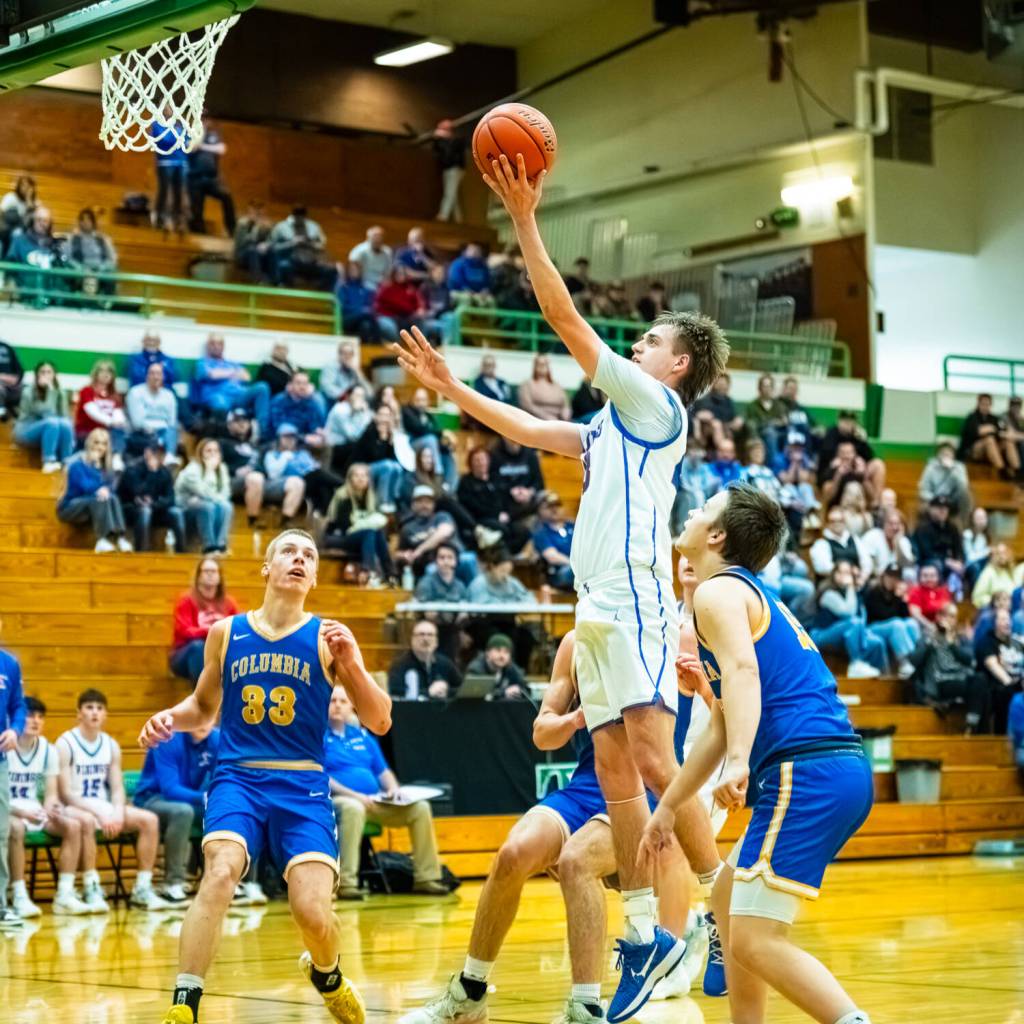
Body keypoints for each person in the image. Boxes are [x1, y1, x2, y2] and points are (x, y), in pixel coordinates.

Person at [394, 152, 729, 1021]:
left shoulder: (659, 411)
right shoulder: (611, 424)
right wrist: (450, 386)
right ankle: (648, 936)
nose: (637, 344)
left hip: (639, 596)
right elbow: (525, 425)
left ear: (677, 367)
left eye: (652, 340)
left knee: (655, 759)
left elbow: (563, 316)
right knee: (618, 768)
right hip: (597, 605)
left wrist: (526, 218)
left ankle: (723, 912)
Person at [403, 616, 712, 1024]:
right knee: (514, 852)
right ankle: (469, 992)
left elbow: (727, 711)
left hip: (647, 793)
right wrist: (572, 720)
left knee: (576, 862)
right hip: (587, 785)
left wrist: (726, 749)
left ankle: (584, 1007)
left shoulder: (673, 637)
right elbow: (542, 732)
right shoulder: (576, 641)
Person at [139, 528, 392, 1024]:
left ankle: (328, 974)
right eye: (289, 552)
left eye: (309, 555)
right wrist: (168, 718)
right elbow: (203, 708)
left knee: (313, 913)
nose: (299, 559)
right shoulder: (226, 633)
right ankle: (184, 1004)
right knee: (220, 872)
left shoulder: (328, 638)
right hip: (239, 778)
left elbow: (380, 720)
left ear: (315, 576)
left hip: (303, 784)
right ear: (267, 567)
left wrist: (353, 667)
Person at [652, 483, 875, 1024]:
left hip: (806, 768)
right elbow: (725, 720)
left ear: (718, 535)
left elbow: (744, 677)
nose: (693, 511)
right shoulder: (742, 594)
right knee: (728, 902)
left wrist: (740, 763)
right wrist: (668, 808)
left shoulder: (717, 593)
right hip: (830, 765)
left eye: (704, 508)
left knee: (754, 940)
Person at [324, 686, 447, 899]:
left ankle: (427, 878)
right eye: (333, 700)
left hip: (374, 802)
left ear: (351, 706)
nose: (337, 705)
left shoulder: (363, 736)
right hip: (340, 801)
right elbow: (322, 777)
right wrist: (355, 796)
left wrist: (393, 789)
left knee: (420, 808)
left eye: (342, 701)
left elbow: (384, 772)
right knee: (353, 808)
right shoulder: (318, 736)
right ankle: (346, 883)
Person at [57, 689, 169, 911]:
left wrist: (117, 812)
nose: (95, 713)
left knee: (149, 820)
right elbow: (66, 793)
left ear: (106, 714)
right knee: (87, 820)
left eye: (99, 708)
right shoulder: (65, 743)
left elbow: (117, 788)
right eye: (89, 708)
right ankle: (91, 887)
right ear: (78, 713)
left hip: (102, 805)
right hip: (73, 806)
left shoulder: (110, 745)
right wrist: (100, 813)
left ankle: (142, 889)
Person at [134, 722, 267, 906]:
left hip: (191, 800)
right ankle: (173, 884)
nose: (204, 722)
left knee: (238, 812)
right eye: (200, 715)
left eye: (209, 716)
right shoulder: (168, 739)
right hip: (153, 799)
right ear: (192, 715)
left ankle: (242, 882)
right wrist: (206, 797)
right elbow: (170, 789)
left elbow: (227, 776)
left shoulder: (217, 739)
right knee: (182, 812)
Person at [7, 696, 93, 918]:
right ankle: (19, 895)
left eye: (39, 716)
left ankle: (64, 895)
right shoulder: (4, 746)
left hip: (33, 810)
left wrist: (50, 808)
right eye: (29, 715)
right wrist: (21, 812)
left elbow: (51, 793)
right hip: (8, 811)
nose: (35, 721)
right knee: (16, 828)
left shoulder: (48, 749)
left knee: (72, 826)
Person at [909, 603, 989, 735]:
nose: (950, 620)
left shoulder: (960, 638)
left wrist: (952, 645)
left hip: (961, 678)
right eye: (947, 616)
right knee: (979, 689)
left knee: (982, 680)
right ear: (939, 617)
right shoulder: (928, 636)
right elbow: (914, 661)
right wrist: (930, 642)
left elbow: (970, 660)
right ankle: (975, 730)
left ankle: (971, 725)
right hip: (940, 682)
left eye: (953, 617)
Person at [57, 428, 132, 553]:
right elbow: (84, 486)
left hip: (91, 506)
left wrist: (104, 481)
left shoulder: (105, 467)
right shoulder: (77, 464)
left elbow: (110, 489)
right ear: (89, 443)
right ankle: (102, 539)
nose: (100, 447)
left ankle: (120, 537)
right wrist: (93, 466)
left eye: (104, 444)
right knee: (99, 499)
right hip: (69, 507)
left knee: (113, 498)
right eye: (96, 442)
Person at [170, 557, 239, 685]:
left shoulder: (229, 603)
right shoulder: (186, 600)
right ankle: (203, 699)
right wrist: (213, 631)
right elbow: (185, 631)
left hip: (218, 653)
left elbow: (238, 629)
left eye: (214, 571)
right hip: (185, 654)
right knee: (198, 647)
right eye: (206, 571)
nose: (210, 575)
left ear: (219, 577)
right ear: (198, 576)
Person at [323, 463, 395, 584]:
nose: (360, 479)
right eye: (356, 476)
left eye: (364, 476)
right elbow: (344, 525)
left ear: (368, 479)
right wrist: (370, 522)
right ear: (350, 479)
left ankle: (390, 574)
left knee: (376, 533)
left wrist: (366, 523)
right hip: (337, 536)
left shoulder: (370, 498)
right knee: (370, 532)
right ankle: (369, 572)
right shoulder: (343, 496)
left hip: (360, 536)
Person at [809, 563, 884, 679]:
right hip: (820, 634)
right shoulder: (828, 593)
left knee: (877, 642)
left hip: (844, 635)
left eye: (848, 573)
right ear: (834, 574)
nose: (845, 576)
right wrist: (851, 587)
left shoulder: (854, 595)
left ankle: (880, 681)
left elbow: (861, 620)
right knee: (854, 622)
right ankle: (855, 664)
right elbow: (848, 613)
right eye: (841, 572)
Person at [192, 334, 271, 437]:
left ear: (223, 346)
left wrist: (222, 373)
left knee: (262, 387)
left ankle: (261, 432)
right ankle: (226, 437)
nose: (216, 346)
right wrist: (233, 373)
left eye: (219, 343)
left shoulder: (232, 362)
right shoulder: (202, 363)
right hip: (218, 396)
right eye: (213, 343)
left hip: (240, 395)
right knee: (220, 403)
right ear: (208, 346)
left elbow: (246, 377)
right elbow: (212, 375)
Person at [0, 626, 27, 927]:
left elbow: (18, 705)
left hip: (0, 761)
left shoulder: (9, 663)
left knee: (0, 832)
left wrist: (15, 730)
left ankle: (0, 905)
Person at [458, 447, 530, 555]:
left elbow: (505, 497)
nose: (481, 463)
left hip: (503, 516)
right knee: (502, 530)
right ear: (471, 463)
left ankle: (507, 555)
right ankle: (500, 557)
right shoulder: (466, 482)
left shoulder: (495, 478)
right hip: (481, 519)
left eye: (483, 459)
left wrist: (507, 512)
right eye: (477, 460)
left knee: (523, 531)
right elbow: (471, 505)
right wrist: (496, 515)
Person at [118, 439, 186, 553]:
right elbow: (137, 493)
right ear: (146, 453)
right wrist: (152, 472)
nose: (157, 456)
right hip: (131, 510)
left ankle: (182, 553)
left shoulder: (165, 472)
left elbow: (170, 498)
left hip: (156, 509)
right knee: (145, 511)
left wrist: (154, 504)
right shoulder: (132, 469)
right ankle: (141, 552)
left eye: (160, 454)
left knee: (176, 512)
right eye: (154, 453)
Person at [397, 486, 476, 581]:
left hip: (456, 560)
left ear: (433, 504)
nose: (424, 505)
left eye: (428, 502)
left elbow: (444, 532)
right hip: (431, 565)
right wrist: (405, 555)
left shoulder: (442, 516)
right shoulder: (407, 528)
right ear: (413, 504)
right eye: (420, 501)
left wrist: (418, 551)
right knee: (430, 569)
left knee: (469, 559)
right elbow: (398, 553)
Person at [175, 437, 234, 554]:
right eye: (208, 451)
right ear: (201, 453)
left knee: (227, 506)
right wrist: (209, 470)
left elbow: (226, 493)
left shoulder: (222, 468)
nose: (213, 454)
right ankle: (209, 546)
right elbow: (203, 492)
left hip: (206, 504)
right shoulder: (192, 469)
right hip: (185, 507)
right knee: (208, 506)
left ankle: (221, 545)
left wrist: (218, 500)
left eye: (216, 451)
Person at [13, 361, 73, 473]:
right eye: (42, 372)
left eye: (49, 372)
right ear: (37, 375)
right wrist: (50, 392)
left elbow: (65, 416)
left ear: (54, 374)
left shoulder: (60, 392)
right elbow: (45, 413)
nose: (46, 375)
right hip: (26, 429)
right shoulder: (29, 391)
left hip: (51, 430)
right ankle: (48, 461)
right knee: (52, 422)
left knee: (65, 423)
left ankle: (66, 462)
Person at [863, 566, 921, 680]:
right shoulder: (873, 590)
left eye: (895, 577)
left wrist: (903, 600)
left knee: (911, 623)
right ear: (884, 575)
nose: (892, 580)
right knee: (897, 624)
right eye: (890, 576)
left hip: (891, 626)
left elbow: (905, 616)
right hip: (872, 627)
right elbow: (883, 615)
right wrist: (897, 598)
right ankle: (904, 662)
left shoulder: (896, 593)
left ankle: (916, 659)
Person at [413, 544, 469, 661]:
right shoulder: (426, 582)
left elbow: (464, 610)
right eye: (441, 557)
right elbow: (426, 611)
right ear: (436, 561)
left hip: (453, 628)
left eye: (450, 558)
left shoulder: (460, 585)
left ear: (456, 561)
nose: (446, 561)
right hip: (432, 626)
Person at [816, 410, 886, 503]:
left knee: (878, 465)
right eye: (845, 421)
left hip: (855, 469)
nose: (847, 424)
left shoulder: (857, 435)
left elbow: (870, 457)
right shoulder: (831, 434)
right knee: (828, 484)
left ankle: (876, 504)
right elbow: (826, 457)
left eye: (850, 421)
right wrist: (842, 461)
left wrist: (863, 441)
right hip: (833, 472)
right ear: (839, 421)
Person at [387, 619, 462, 700]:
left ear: (436, 641)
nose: (426, 639)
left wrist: (447, 690)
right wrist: (428, 693)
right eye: (421, 634)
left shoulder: (445, 663)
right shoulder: (400, 665)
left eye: (430, 635)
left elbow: (461, 689)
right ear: (412, 639)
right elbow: (396, 694)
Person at [351, 404, 406, 513]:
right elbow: (375, 456)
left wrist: (389, 441)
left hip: (380, 466)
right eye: (381, 414)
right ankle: (382, 502)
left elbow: (392, 457)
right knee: (388, 466)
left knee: (397, 467)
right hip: (363, 466)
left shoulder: (391, 433)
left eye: (387, 415)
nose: (384, 418)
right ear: (376, 416)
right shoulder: (370, 430)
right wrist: (382, 437)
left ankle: (392, 500)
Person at [977, 608, 1024, 734]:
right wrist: (1012, 683)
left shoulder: (1017, 642)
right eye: (1003, 619)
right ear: (994, 623)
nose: (1008, 622)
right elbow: (993, 666)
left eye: (1008, 619)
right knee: (1007, 693)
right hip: (1000, 686)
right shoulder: (986, 642)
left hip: (1020, 682)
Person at [186, 116, 235, 236]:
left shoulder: (214, 135)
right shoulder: (190, 134)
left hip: (211, 179)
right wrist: (201, 133)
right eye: (202, 120)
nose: (205, 122)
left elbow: (221, 149)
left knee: (226, 197)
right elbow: (192, 147)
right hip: (195, 179)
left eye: (206, 120)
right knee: (197, 208)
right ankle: (198, 232)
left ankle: (232, 229)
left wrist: (203, 147)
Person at [959, 392, 1022, 481]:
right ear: (978, 404)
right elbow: (977, 431)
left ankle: (1017, 470)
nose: (985, 406)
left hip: (992, 451)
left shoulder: (994, 418)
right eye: (983, 404)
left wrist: (997, 430)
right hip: (974, 452)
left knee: (1008, 441)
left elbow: (1001, 432)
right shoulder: (972, 417)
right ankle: (1001, 470)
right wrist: (991, 429)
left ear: (991, 405)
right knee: (989, 439)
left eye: (988, 404)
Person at [126, 361, 179, 461]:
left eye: (159, 374)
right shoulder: (135, 392)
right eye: (152, 373)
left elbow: (172, 420)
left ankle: (169, 457)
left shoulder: (169, 395)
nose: (156, 377)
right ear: (146, 376)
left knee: (173, 429)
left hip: (164, 431)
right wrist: (154, 430)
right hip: (143, 432)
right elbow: (137, 422)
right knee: (151, 436)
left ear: (163, 377)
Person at [269, 206, 334, 289]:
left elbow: (322, 245)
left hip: (312, 261)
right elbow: (274, 247)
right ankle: (288, 289)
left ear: (305, 216)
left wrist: (311, 244)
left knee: (331, 270)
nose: (299, 219)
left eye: (302, 217)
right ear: (293, 216)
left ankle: (320, 293)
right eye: (297, 217)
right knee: (284, 266)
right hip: (292, 260)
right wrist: (291, 243)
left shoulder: (314, 227)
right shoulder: (282, 227)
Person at [911, 496, 965, 596]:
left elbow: (959, 549)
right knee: (937, 566)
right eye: (939, 508)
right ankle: (938, 596)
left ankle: (956, 597)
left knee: (965, 568)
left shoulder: (952, 528)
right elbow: (927, 552)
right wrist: (947, 561)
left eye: (945, 508)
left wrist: (959, 561)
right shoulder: (923, 528)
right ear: (931, 509)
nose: (943, 511)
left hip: (949, 562)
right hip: (928, 561)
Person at [75, 359, 127, 459]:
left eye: (109, 372)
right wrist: (111, 422)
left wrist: (119, 422)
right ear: (96, 374)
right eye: (102, 371)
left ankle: (116, 457)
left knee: (121, 429)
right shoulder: (87, 391)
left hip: (108, 432)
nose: (106, 374)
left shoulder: (114, 395)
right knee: (113, 432)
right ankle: (114, 456)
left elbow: (118, 414)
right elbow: (92, 412)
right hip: (87, 431)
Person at [150, 107, 188, 232]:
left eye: (170, 107)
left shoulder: (180, 124)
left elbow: (187, 141)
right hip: (165, 162)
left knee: (179, 193)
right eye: (165, 107)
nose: (168, 110)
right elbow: (163, 140)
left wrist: (177, 138)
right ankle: (159, 218)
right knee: (164, 190)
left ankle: (177, 219)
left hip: (180, 163)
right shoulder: (156, 124)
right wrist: (176, 138)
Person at [809, 505, 872, 579]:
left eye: (840, 521)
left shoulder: (854, 539)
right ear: (827, 523)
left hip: (858, 580)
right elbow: (824, 568)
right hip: (833, 585)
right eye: (833, 521)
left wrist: (862, 578)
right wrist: (850, 571)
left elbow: (867, 562)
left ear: (844, 522)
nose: (836, 524)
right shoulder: (821, 543)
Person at [269, 369, 327, 449]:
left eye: (305, 383)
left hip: (304, 441)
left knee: (323, 442)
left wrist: (318, 433)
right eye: (298, 383)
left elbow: (315, 425)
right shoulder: (279, 400)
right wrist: (303, 437)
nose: (302, 387)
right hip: (283, 441)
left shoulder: (311, 402)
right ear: (290, 385)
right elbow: (279, 428)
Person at [67, 208, 117, 297]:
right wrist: (82, 269)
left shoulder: (103, 239)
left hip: (101, 271)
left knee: (112, 275)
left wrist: (101, 269)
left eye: (88, 219)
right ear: (79, 222)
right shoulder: (72, 238)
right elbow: (68, 258)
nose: (85, 222)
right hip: (80, 271)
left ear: (93, 222)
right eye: (83, 219)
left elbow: (112, 259)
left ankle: (106, 304)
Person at [918, 442, 971, 521]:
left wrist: (952, 470)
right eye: (943, 453)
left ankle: (963, 525)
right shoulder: (931, 467)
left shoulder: (959, 467)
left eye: (948, 453)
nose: (946, 456)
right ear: (938, 455)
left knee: (967, 495)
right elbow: (923, 489)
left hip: (952, 500)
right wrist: (935, 499)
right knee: (924, 504)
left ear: (953, 455)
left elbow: (963, 487)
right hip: (934, 499)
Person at [465, 633, 528, 700]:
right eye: (498, 650)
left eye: (506, 652)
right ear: (487, 652)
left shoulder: (509, 667)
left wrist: (518, 690)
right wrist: (503, 693)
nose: (502, 656)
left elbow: (523, 686)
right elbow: (475, 695)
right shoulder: (476, 669)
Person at [743, 373, 789, 463]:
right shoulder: (752, 406)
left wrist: (781, 423)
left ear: (773, 388)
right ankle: (772, 466)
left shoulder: (780, 405)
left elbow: (784, 422)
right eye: (764, 386)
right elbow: (750, 423)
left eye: (769, 386)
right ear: (759, 388)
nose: (767, 389)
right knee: (769, 433)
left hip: (779, 434)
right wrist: (770, 423)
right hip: (760, 434)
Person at [692, 372, 744, 450]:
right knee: (717, 425)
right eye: (720, 384)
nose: (722, 387)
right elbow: (697, 415)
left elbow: (734, 416)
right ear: (714, 385)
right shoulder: (705, 400)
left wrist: (738, 419)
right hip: (708, 431)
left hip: (726, 428)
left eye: (724, 385)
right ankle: (723, 451)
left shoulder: (729, 401)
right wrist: (699, 415)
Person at [533, 492, 575, 590]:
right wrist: (576, 566)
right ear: (539, 510)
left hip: (579, 568)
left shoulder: (573, 526)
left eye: (558, 505)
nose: (554, 509)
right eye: (549, 507)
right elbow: (552, 557)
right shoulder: (541, 531)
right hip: (559, 572)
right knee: (573, 572)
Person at [861, 509, 916, 581]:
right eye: (891, 523)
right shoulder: (873, 535)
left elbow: (908, 566)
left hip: (897, 580)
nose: (894, 527)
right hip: (875, 579)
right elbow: (867, 564)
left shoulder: (903, 541)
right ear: (883, 524)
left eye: (898, 524)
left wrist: (898, 544)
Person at [334, 262, 383, 342]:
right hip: (347, 318)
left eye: (356, 270)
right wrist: (359, 311)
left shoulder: (365, 289)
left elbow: (369, 305)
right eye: (352, 270)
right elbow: (343, 307)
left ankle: (370, 347)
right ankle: (379, 342)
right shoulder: (343, 288)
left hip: (362, 318)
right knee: (367, 314)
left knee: (365, 325)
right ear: (348, 271)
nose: (354, 271)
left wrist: (363, 312)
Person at [516, 355, 571, 422]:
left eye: (545, 363)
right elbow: (527, 406)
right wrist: (546, 417)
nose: (542, 365)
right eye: (539, 363)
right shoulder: (527, 384)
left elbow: (565, 404)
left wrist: (566, 412)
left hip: (559, 420)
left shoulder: (557, 385)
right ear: (535, 366)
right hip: (536, 420)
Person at [433, 119, 467, 222]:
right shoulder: (443, 141)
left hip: (456, 169)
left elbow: (453, 149)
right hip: (447, 168)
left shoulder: (457, 140)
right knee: (453, 194)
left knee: (450, 193)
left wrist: (444, 136)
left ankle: (443, 216)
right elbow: (437, 149)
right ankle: (458, 218)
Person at [972, 542, 1023, 609]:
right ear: (994, 556)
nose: (1002, 556)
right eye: (999, 553)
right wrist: (997, 601)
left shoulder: (1012, 571)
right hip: (995, 610)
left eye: (1005, 553)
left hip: (1013, 607)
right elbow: (977, 597)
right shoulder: (989, 572)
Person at [321, 340, 373, 406]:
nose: (347, 356)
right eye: (345, 353)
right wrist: (345, 396)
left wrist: (358, 372)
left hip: (349, 400)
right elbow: (327, 387)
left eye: (350, 354)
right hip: (331, 400)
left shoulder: (353, 369)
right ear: (339, 355)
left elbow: (369, 392)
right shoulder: (330, 366)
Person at [907, 563, 954, 631]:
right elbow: (915, 614)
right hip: (922, 627)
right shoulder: (916, 591)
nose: (929, 579)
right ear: (919, 577)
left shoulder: (944, 590)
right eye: (925, 576)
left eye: (932, 576)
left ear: (938, 577)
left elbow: (949, 611)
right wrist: (930, 626)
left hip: (943, 626)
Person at [233, 201, 272, 282]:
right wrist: (256, 228)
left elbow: (271, 240)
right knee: (252, 249)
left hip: (260, 253)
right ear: (249, 211)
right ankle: (257, 280)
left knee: (272, 250)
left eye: (260, 213)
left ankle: (275, 281)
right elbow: (240, 244)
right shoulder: (242, 224)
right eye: (255, 212)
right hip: (242, 254)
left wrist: (267, 243)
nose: (258, 215)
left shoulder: (266, 224)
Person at [348, 225, 393, 292]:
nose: (377, 239)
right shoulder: (359, 251)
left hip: (382, 285)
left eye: (380, 237)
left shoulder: (387, 252)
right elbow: (352, 269)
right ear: (368, 238)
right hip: (364, 284)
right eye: (375, 236)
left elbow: (388, 272)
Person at [963, 506, 992, 587]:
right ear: (972, 519)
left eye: (984, 518)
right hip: (969, 567)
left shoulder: (985, 536)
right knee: (976, 567)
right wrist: (987, 551)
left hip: (982, 563)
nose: (982, 521)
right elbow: (970, 558)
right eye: (979, 518)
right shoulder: (968, 534)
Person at [0, 336, 24, 421]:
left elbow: (20, 370)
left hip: (11, 384)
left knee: (28, 389)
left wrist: (16, 380)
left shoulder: (6, 347)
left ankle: (21, 415)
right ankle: (2, 412)